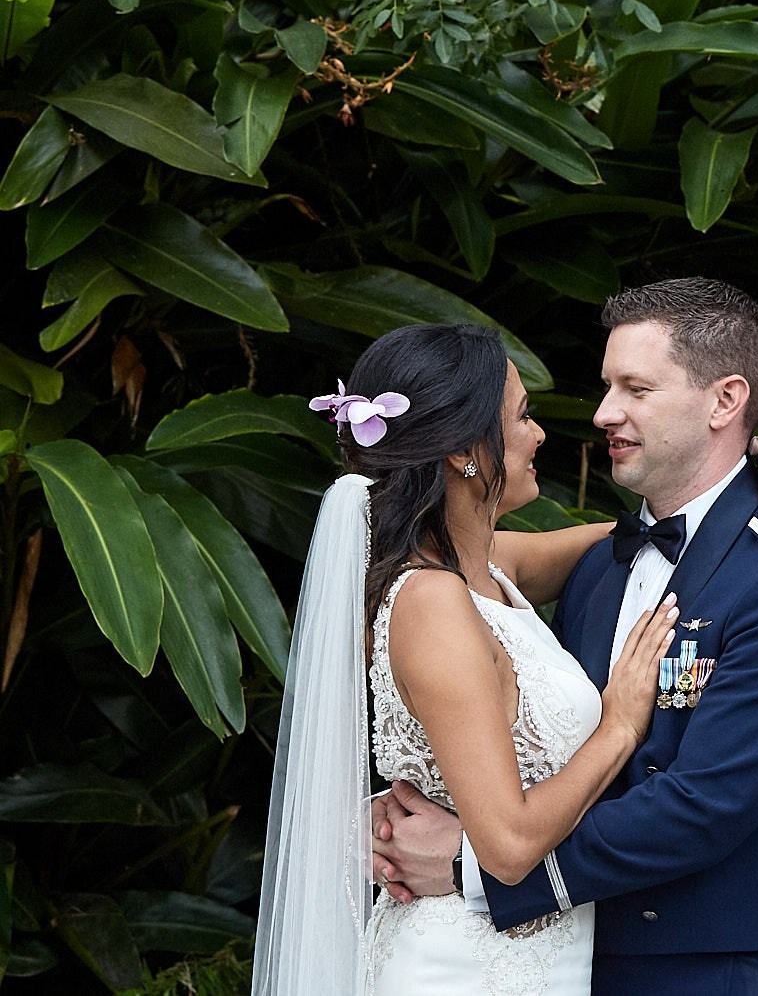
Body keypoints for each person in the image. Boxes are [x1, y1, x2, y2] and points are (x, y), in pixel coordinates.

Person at [372, 278, 758, 996]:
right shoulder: (599, 565)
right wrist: (390, 815)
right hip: (557, 965)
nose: (604, 412)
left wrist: (467, 866)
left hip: (703, 976)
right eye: (608, 386)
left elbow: (700, 808)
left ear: (725, 400)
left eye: (635, 388)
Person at [250, 322, 677, 996]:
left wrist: (741, 513)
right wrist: (619, 726)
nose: (539, 435)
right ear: (462, 452)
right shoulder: (432, 602)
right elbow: (507, 845)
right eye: (522, 416)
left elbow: (615, 539)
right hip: (467, 967)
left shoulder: (484, 569)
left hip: (532, 955)